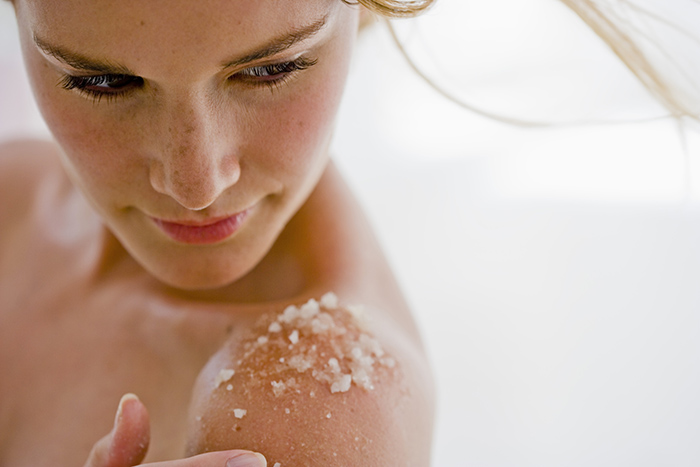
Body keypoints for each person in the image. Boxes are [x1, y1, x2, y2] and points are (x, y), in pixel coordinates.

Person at [0, 0, 435, 466]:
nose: (196, 187)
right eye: (104, 82)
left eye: (272, 69)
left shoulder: (305, 406)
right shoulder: (13, 196)